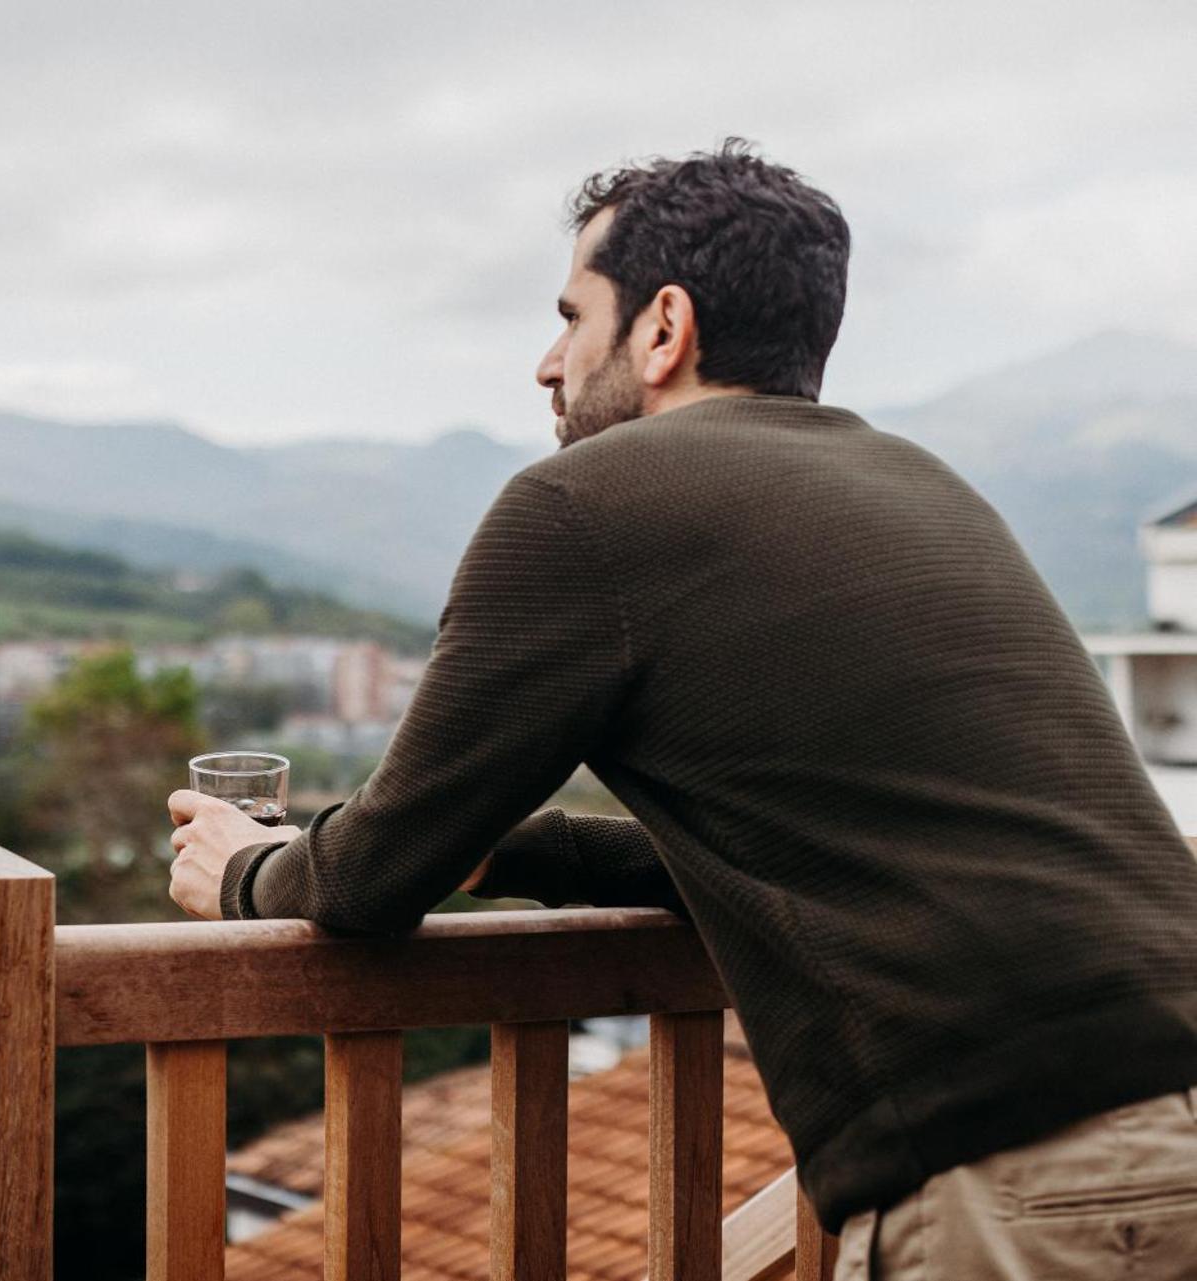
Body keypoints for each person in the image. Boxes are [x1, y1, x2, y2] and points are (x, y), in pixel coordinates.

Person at [166, 140, 1197, 1279]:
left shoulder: (579, 506)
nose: (547, 365)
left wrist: (244, 871)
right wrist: (494, 850)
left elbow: (365, 883)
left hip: (1035, 1176)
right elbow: (801, 843)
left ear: (664, 327)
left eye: (572, 317)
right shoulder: (923, 484)